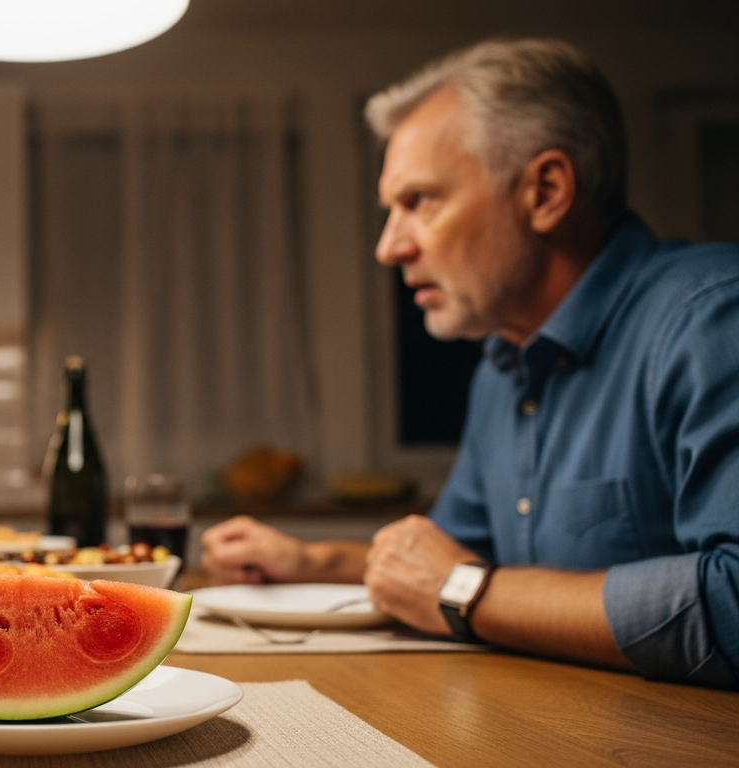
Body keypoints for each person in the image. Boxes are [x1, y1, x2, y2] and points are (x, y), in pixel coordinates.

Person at [202, 38, 739, 688]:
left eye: (419, 201)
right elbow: (456, 557)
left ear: (545, 191)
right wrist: (314, 558)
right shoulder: (503, 365)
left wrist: (467, 591)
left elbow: (732, 598)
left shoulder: (711, 320)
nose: (388, 247)